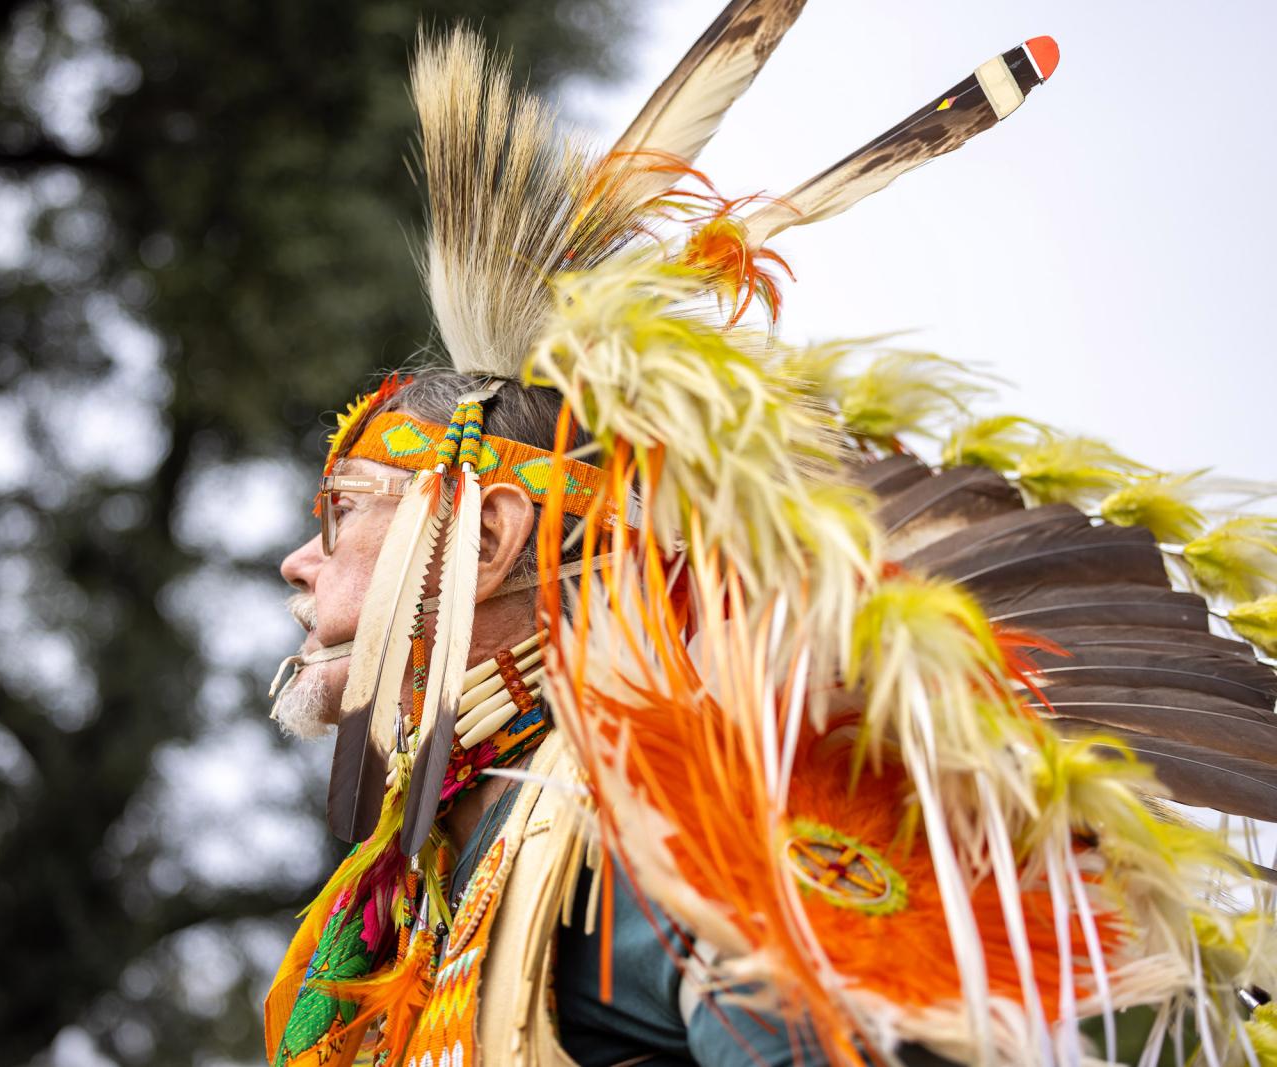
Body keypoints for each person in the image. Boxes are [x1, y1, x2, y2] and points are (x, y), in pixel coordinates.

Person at [263, 6, 1277, 1065]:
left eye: (342, 510)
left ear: (493, 537)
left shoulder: (675, 831)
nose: (300, 560)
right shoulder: (420, 873)